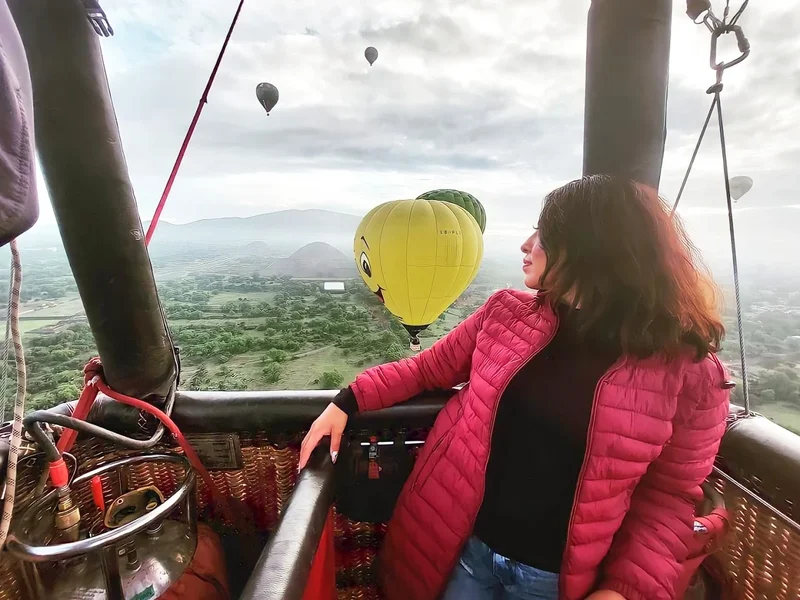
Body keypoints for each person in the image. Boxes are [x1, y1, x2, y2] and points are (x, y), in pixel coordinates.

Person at [299, 175, 731, 600]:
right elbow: (425, 371)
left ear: (592, 249)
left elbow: (670, 497)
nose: (526, 245)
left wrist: (622, 591)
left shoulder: (693, 375)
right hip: (466, 549)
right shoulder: (505, 314)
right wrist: (346, 401)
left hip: (557, 579)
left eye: (542, 234)